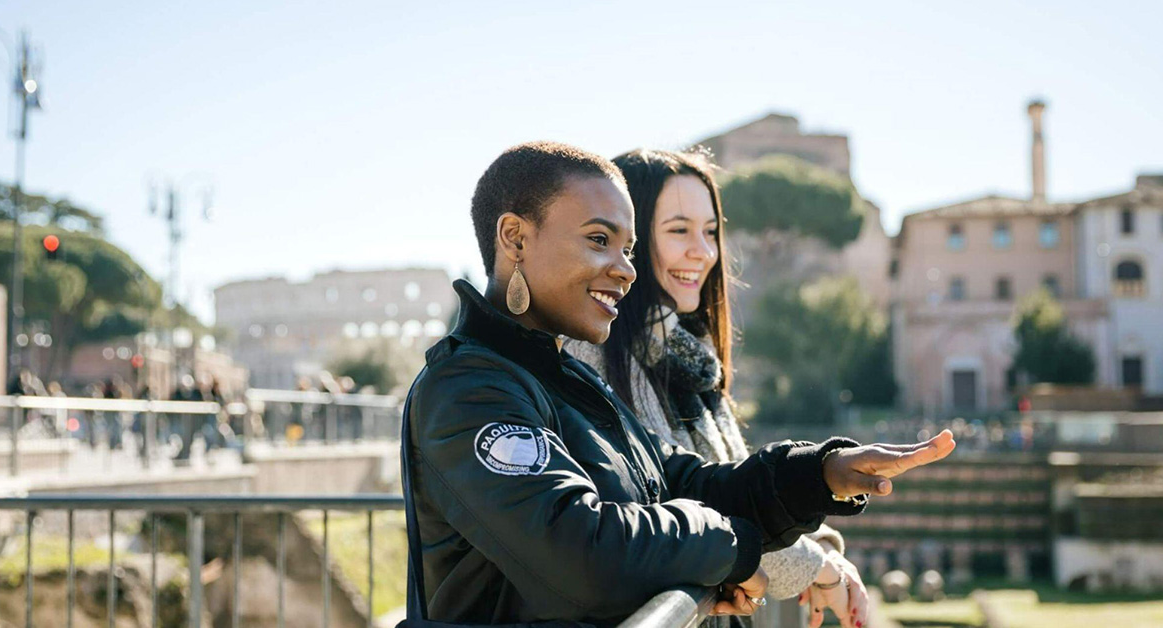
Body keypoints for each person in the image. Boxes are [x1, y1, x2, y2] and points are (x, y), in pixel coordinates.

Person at [403, 141, 955, 624]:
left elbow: (686, 480)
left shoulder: (567, 379)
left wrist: (821, 472)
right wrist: (734, 550)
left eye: (627, 248)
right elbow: (583, 551)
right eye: (599, 239)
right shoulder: (468, 390)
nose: (625, 269)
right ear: (515, 238)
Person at [565, 149, 865, 627]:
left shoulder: (692, 360)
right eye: (678, 230)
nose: (703, 252)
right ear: (629, 241)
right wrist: (816, 565)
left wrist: (823, 548)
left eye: (710, 232)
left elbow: (735, 483)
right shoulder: (594, 356)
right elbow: (681, 508)